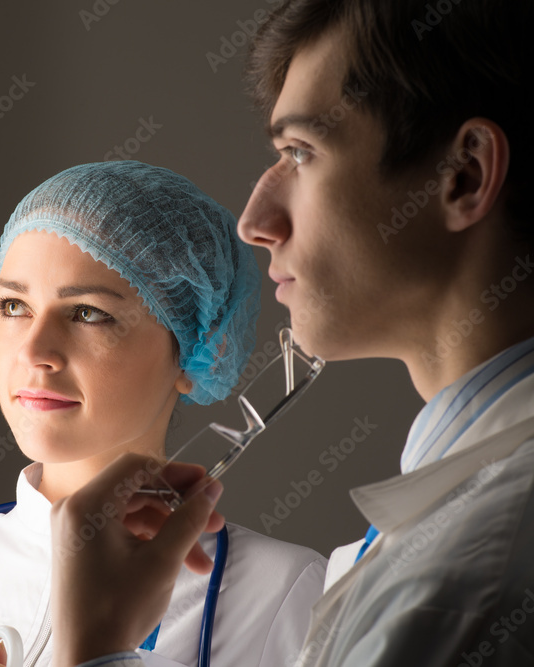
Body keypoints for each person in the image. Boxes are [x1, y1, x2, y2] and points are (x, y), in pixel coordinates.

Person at [46, 0, 534, 666]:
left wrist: (96, 648)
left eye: (300, 153)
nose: (255, 219)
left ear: (464, 175)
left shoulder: (470, 576)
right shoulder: (455, 526)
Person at [0, 161, 328, 667]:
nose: (35, 351)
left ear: (196, 347)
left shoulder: (282, 593)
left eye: (88, 313)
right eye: (13, 306)